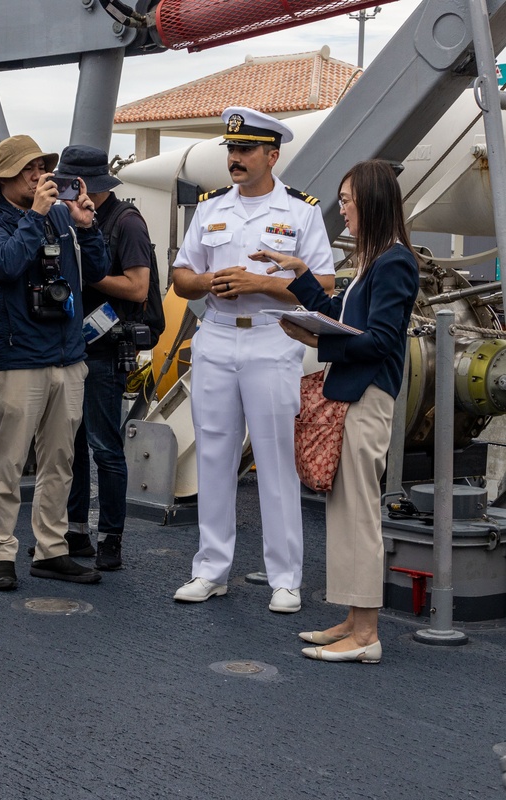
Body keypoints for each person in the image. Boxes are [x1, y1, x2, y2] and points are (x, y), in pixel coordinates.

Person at [253, 159, 419, 662]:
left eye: (347, 200)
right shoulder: (376, 261)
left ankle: (366, 635)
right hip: (356, 394)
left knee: (359, 516)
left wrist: (316, 342)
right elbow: (344, 318)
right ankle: (352, 619)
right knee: (346, 513)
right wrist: (302, 279)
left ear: (369, 201)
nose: (342, 209)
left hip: (366, 397)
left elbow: (382, 342)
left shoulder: (394, 262)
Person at [171, 106, 335, 613]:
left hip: (270, 339)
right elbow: (181, 277)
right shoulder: (210, 208)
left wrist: (262, 283)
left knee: (275, 459)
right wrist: (211, 282)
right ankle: (211, 568)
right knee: (215, 456)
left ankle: (285, 577)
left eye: (245, 151)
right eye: (232, 150)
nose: (235, 159)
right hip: (217, 336)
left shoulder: (301, 211)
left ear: (272, 155)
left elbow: (324, 287)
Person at [0, 135, 109, 592]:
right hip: (17, 358)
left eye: (42, 167)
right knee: (8, 462)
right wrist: (34, 217)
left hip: (67, 356)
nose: (39, 176)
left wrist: (87, 226)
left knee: (61, 461)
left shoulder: (59, 216)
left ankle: (51, 550)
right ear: (5, 179)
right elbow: (6, 266)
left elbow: (98, 270)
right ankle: (0, 551)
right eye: (29, 170)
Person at [55, 145, 150, 571]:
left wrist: (91, 273)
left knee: (104, 446)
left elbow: (138, 289)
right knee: (71, 446)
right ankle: (75, 529)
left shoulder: (126, 223)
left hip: (105, 347)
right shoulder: (66, 215)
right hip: (71, 345)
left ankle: (111, 535)